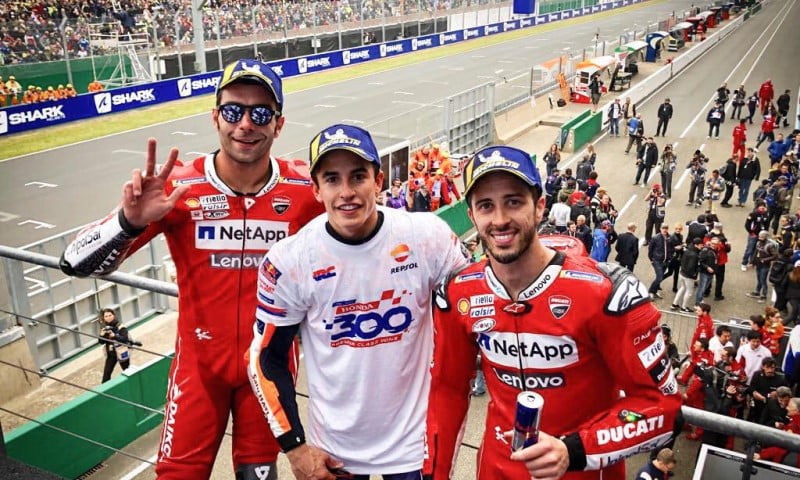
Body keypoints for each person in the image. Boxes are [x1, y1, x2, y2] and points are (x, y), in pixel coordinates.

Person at [59, 58, 325, 480]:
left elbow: (371, 233)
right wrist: (129, 221)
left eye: (260, 114)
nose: (246, 125)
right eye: (234, 110)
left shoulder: (306, 189)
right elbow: (74, 262)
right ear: (215, 116)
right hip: (198, 368)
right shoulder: (178, 189)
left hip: (270, 368)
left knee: (259, 475)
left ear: (278, 124)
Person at [424, 144, 682, 480]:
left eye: (514, 201)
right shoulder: (458, 291)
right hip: (495, 469)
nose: (500, 219)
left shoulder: (609, 292)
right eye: (486, 205)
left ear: (540, 207)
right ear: (472, 217)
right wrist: (434, 474)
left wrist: (576, 450)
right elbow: (447, 389)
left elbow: (664, 409)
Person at [247, 124, 468, 479]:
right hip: (334, 453)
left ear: (378, 181)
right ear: (316, 189)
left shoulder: (427, 236)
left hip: (415, 447)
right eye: (332, 179)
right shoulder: (289, 260)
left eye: (358, 177)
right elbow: (264, 360)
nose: (346, 192)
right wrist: (294, 447)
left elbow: (475, 305)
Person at [98, 308, 132, 383]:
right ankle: (104, 391)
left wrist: (114, 336)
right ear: (103, 318)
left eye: (110, 315)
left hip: (121, 352)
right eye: (106, 316)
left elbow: (125, 339)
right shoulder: (104, 328)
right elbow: (101, 342)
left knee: (128, 371)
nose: (108, 318)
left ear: (114, 315)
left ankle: (133, 385)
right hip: (111, 354)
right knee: (106, 375)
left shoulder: (121, 327)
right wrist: (101, 336)